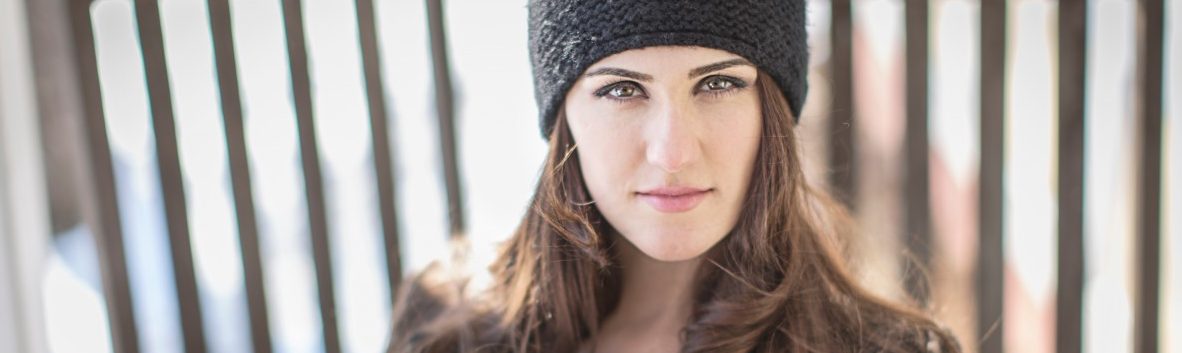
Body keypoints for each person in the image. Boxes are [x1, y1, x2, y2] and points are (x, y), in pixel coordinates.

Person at [388, 1, 962, 352]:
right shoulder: (446, 330)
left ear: (774, 110)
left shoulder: (881, 350)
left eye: (718, 84)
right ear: (564, 116)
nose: (673, 153)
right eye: (621, 89)